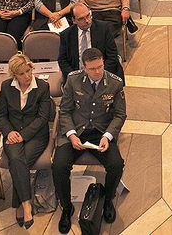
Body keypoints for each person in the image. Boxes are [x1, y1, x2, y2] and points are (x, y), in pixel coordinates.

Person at [52, 47, 126, 234]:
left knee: (116, 164)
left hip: (100, 132)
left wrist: (108, 136)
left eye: (100, 67)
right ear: (84, 67)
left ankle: (108, 200)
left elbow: (119, 114)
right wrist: (70, 134)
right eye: (93, 69)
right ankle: (67, 207)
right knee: (59, 166)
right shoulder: (73, 80)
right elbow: (65, 110)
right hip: (76, 131)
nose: (98, 72)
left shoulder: (115, 83)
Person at [0, 53, 53, 229]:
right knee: (16, 160)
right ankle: (27, 204)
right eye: (22, 73)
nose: (27, 76)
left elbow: (43, 118)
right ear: (14, 75)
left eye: (29, 71)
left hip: (36, 134)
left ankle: (20, 204)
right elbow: (2, 115)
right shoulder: (6, 87)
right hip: (12, 133)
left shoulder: (43, 87)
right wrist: (9, 132)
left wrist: (24, 134)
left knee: (18, 163)